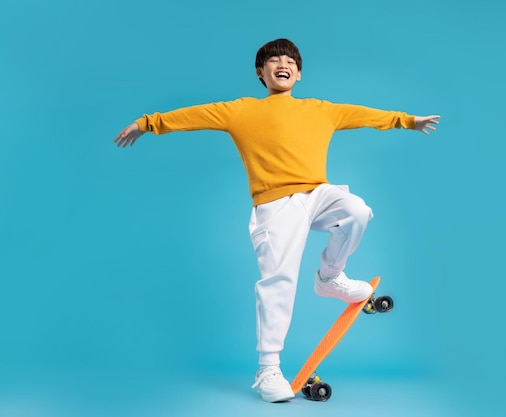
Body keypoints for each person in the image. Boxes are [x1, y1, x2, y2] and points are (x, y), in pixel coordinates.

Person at [114, 38, 440, 402]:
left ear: (299, 74)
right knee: (278, 281)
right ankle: (268, 369)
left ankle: (330, 277)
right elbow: (192, 116)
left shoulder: (321, 110)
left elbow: (365, 115)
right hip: (274, 204)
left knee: (357, 211)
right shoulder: (239, 110)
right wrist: (146, 124)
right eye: (273, 60)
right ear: (261, 73)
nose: (282, 64)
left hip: (317, 194)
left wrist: (407, 121)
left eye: (289, 61)